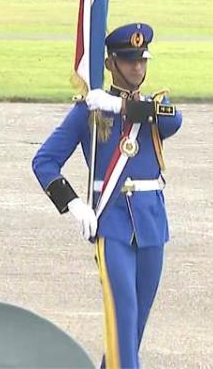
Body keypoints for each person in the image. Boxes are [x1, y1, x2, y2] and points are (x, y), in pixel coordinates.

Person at [32, 23, 182, 368]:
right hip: (112, 221)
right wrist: (73, 204)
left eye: (142, 60)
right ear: (110, 63)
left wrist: (118, 106)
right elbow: (44, 161)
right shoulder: (90, 109)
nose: (137, 68)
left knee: (133, 328)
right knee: (123, 318)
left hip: (151, 222)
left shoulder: (155, 105)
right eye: (128, 61)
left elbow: (174, 121)